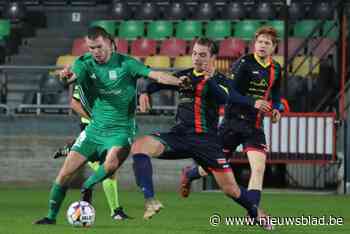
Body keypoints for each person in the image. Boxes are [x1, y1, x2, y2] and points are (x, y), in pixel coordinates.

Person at [34, 26, 184, 225]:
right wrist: (64, 77)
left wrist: (179, 82)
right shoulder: (84, 63)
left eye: (98, 47)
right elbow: (71, 78)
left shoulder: (127, 64)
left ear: (111, 44)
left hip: (121, 130)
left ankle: (88, 186)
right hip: (94, 130)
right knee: (65, 172)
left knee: (112, 163)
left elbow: (156, 75)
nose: (95, 52)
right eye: (91, 48)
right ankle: (50, 217)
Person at [132, 38, 273, 230]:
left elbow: (225, 98)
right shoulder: (184, 76)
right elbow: (157, 83)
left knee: (230, 189)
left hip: (206, 141)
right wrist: (145, 91)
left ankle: (257, 214)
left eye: (203, 55)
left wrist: (211, 78)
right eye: (195, 54)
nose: (197, 59)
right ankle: (150, 200)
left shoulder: (222, 80)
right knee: (139, 146)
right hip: (180, 136)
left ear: (213, 57)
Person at [180, 27, 283, 214]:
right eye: (260, 41)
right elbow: (230, 93)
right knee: (211, 168)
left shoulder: (276, 68)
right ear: (254, 43)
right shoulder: (243, 63)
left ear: (274, 47)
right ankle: (190, 173)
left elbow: (276, 95)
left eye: (267, 43)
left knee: (258, 168)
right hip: (232, 123)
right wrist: (254, 102)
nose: (262, 45)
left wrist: (276, 109)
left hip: (254, 125)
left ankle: (253, 213)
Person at [53, 84, 131, 220]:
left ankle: (71, 150)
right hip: (90, 130)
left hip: (106, 130)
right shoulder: (86, 78)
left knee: (109, 169)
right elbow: (74, 103)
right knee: (107, 171)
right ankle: (115, 211)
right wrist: (94, 119)